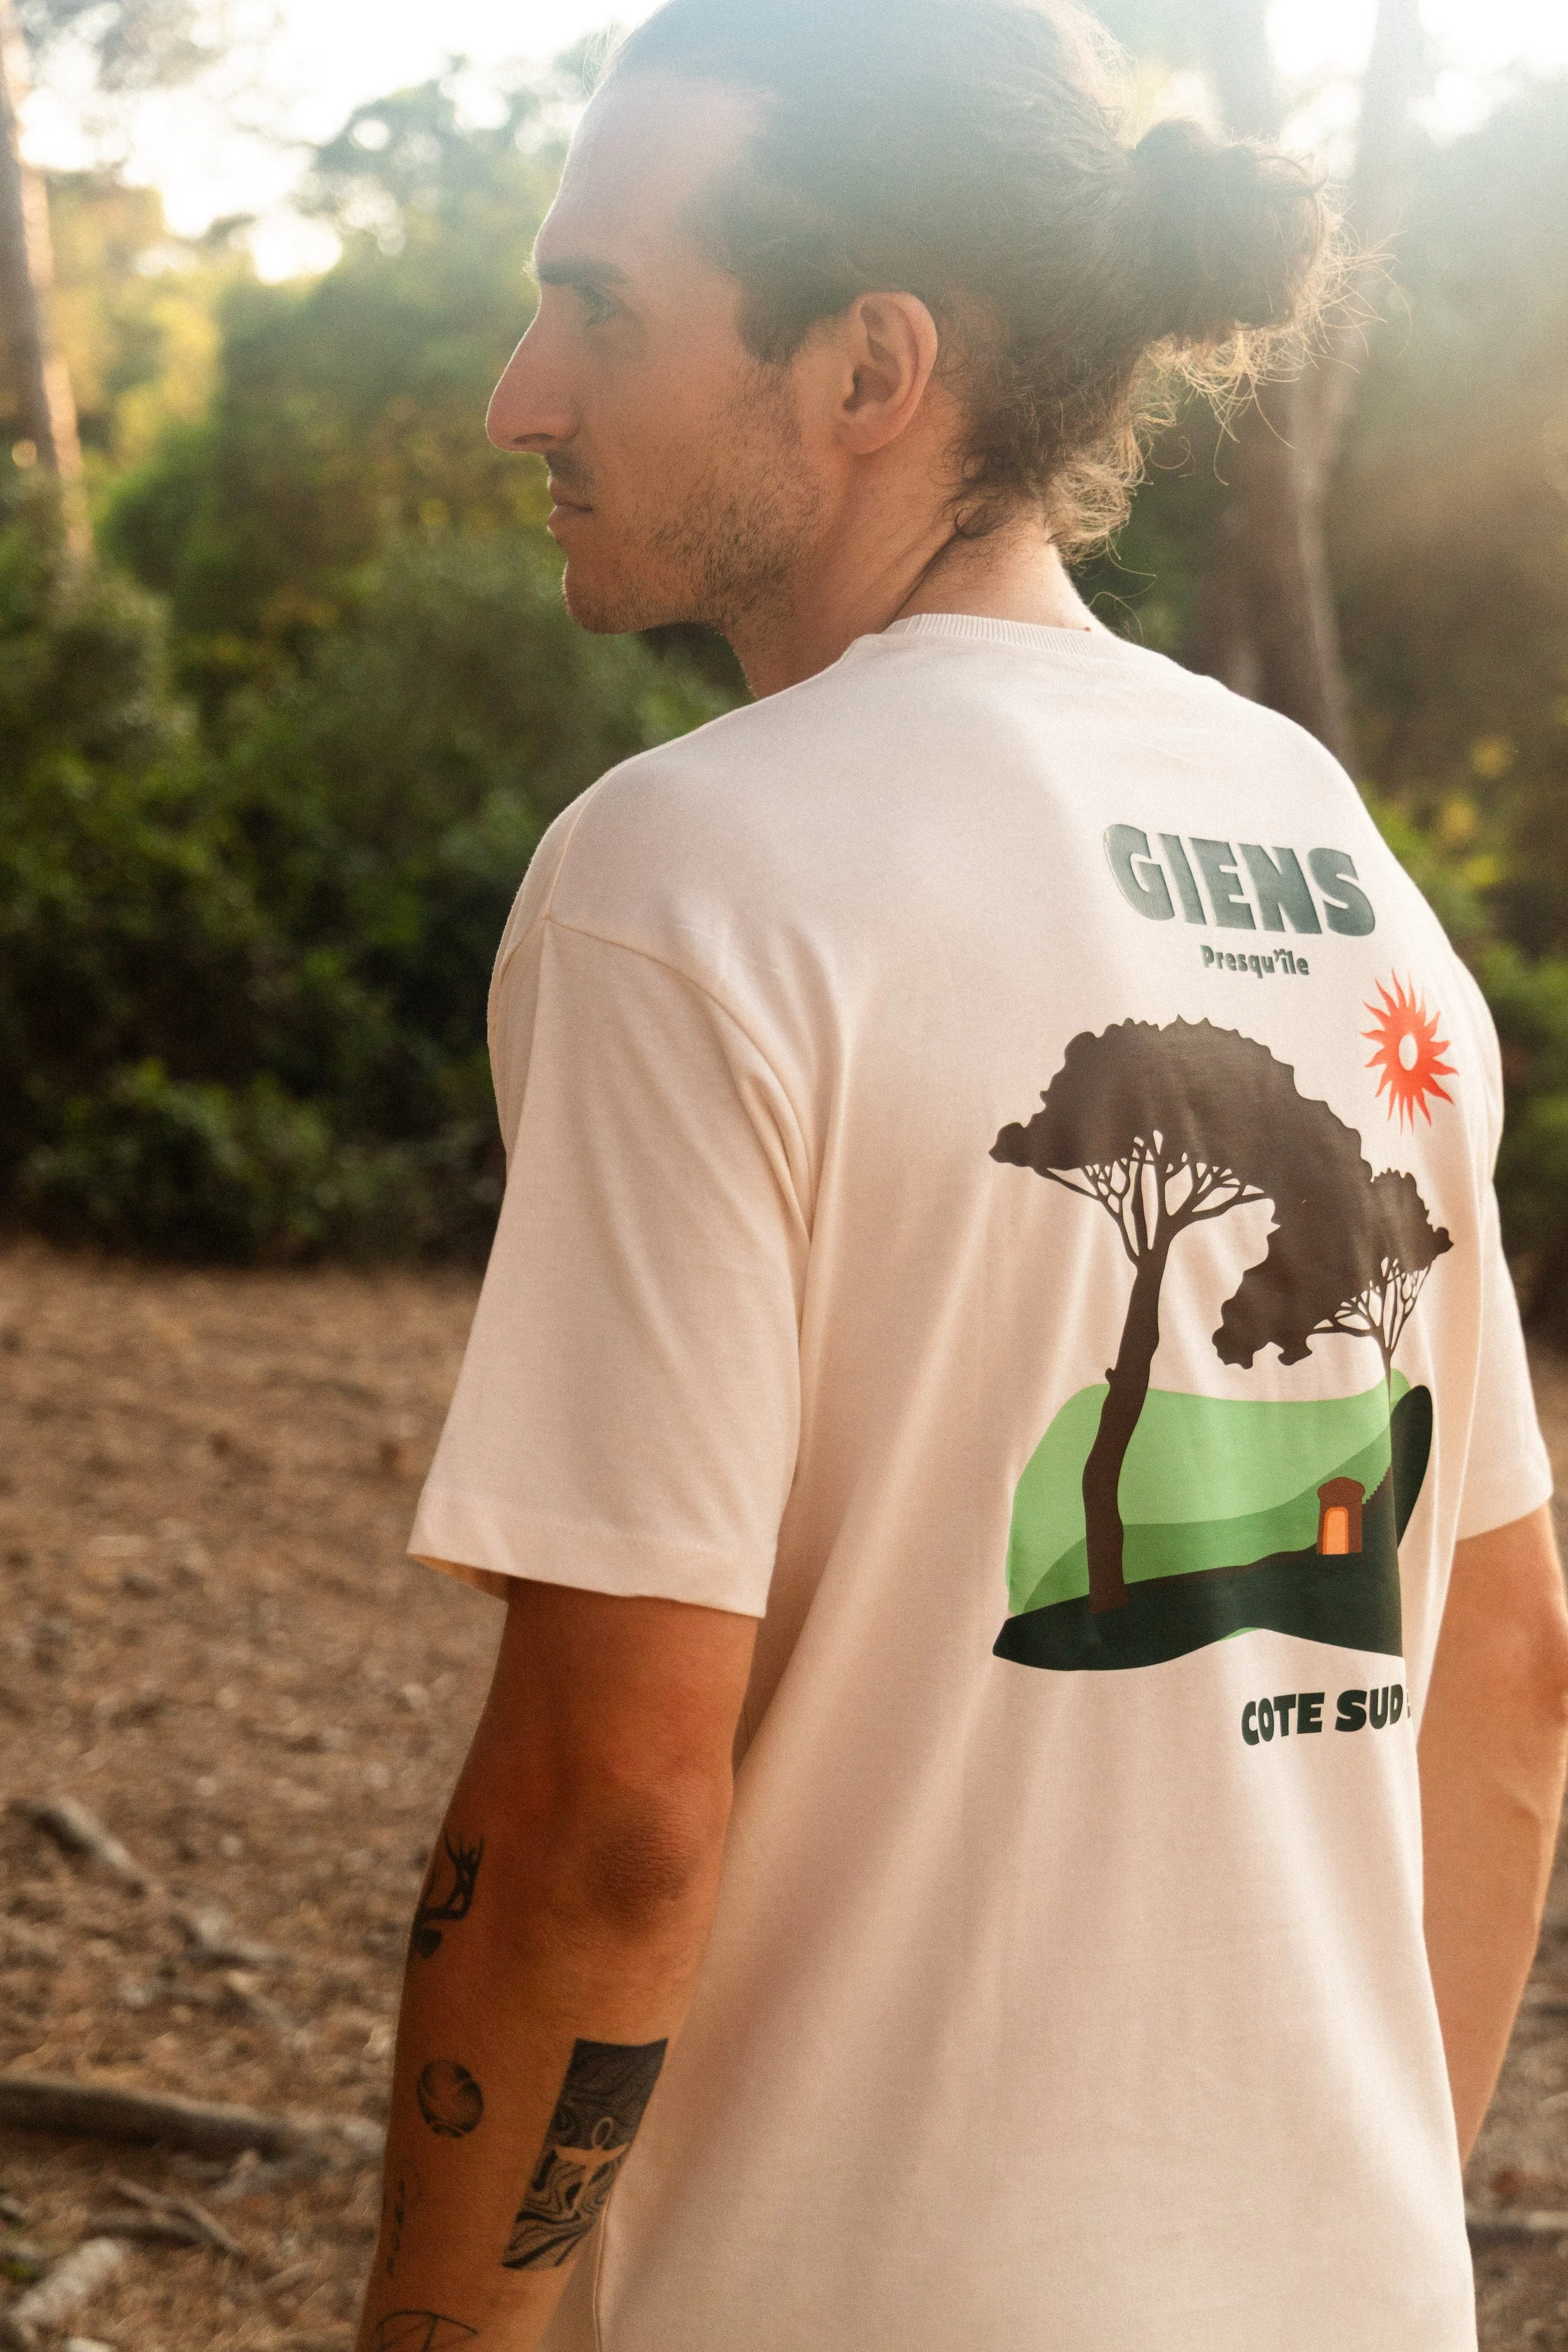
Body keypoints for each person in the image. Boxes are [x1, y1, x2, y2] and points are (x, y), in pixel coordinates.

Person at [354, 4, 1568, 2347]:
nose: (522, 391)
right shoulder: (1328, 849)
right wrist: (1361, 2233)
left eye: (593, 300)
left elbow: (611, 1806)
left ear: (867, 364)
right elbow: (1502, 1680)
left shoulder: (688, 878)